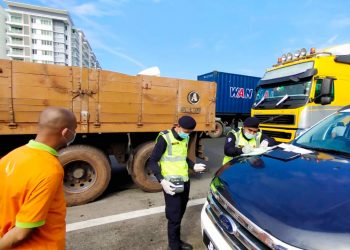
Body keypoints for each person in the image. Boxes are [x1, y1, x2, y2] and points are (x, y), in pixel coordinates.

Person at [0, 107, 77, 250]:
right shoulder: (49, 169)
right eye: (74, 131)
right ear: (65, 133)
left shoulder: (10, 156)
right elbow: (21, 233)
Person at [149, 115, 206, 250]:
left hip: (184, 181)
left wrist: (193, 166)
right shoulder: (165, 138)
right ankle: (173, 246)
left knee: (180, 212)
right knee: (174, 217)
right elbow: (153, 160)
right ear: (178, 126)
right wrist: (161, 180)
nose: (187, 135)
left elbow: (182, 157)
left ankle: (177, 242)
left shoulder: (184, 138)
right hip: (171, 183)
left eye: (190, 132)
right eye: (186, 132)